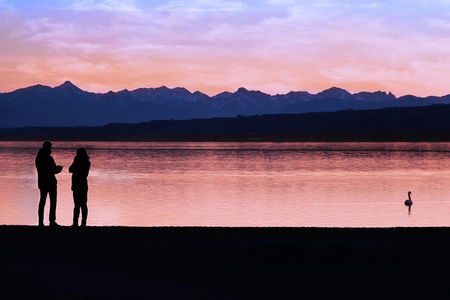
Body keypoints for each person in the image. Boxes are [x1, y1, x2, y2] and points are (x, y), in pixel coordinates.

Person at [35, 141, 63, 226]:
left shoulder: (38, 158)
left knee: (42, 201)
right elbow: (53, 170)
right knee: (52, 202)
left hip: (42, 182)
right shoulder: (49, 158)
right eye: (50, 147)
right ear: (48, 147)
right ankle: (52, 221)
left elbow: (42, 169)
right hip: (50, 182)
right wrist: (59, 169)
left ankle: (40, 222)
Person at [69, 148, 90, 227]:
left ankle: (77, 223)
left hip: (78, 184)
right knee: (82, 204)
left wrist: (76, 162)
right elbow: (70, 169)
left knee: (78, 204)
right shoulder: (86, 162)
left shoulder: (79, 162)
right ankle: (82, 223)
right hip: (82, 184)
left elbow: (70, 169)